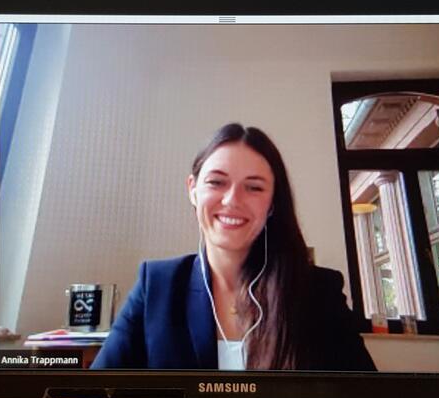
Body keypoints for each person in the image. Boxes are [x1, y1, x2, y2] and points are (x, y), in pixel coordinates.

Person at [92, 124, 376, 371]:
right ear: (193, 189)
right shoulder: (156, 284)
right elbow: (88, 394)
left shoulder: (319, 291)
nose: (232, 200)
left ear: (273, 202)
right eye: (216, 182)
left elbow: (367, 396)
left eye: (254, 187)